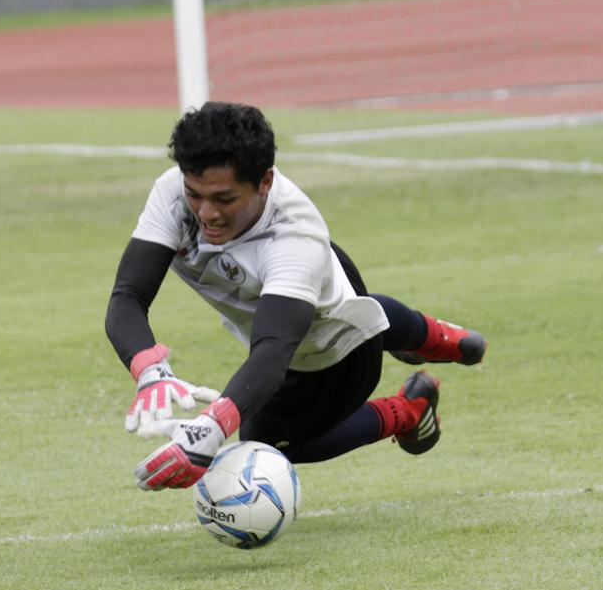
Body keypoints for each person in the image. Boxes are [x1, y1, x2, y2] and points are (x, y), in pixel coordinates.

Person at [104, 102, 486, 491]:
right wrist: (150, 372)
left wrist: (212, 427)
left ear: (265, 182)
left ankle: (406, 411)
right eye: (195, 194)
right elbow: (128, 296)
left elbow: (273, 350)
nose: (206, 212)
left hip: (335, 353)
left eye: (224, 199)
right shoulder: (172, 192)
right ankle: (433, 336)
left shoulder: (294, 237)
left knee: (263, 443)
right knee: (337, 308)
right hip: (326, 285)